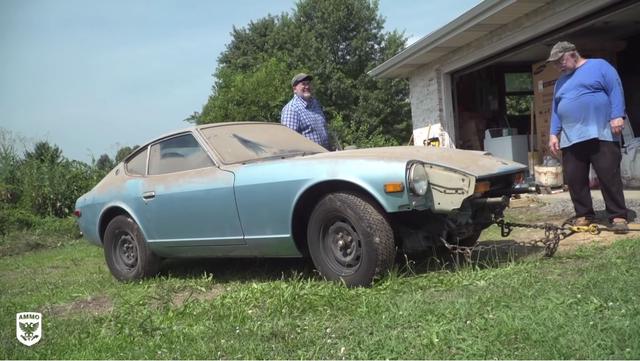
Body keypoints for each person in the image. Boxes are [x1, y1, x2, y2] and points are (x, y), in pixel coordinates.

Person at [547, 41, 629, 233]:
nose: (559, 66)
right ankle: (583, 214)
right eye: (555, 63)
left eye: (561, 61)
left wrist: (617, 114)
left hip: (601, 133)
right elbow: (556, 109)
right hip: (571, 137)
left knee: (609, 176)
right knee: (575, 179)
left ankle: (617, 216)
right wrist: (553, 133)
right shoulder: (561, 81)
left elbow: (615, 89)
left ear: (573, 54)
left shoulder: (599, 66)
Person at [281, 73, 331, 149]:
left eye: (308, 84)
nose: (307, 87)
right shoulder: (291, 109)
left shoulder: (315, 104)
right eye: (303, 84)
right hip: (307, 158)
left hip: (325, 156)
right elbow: (289, 141)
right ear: (295, 89)